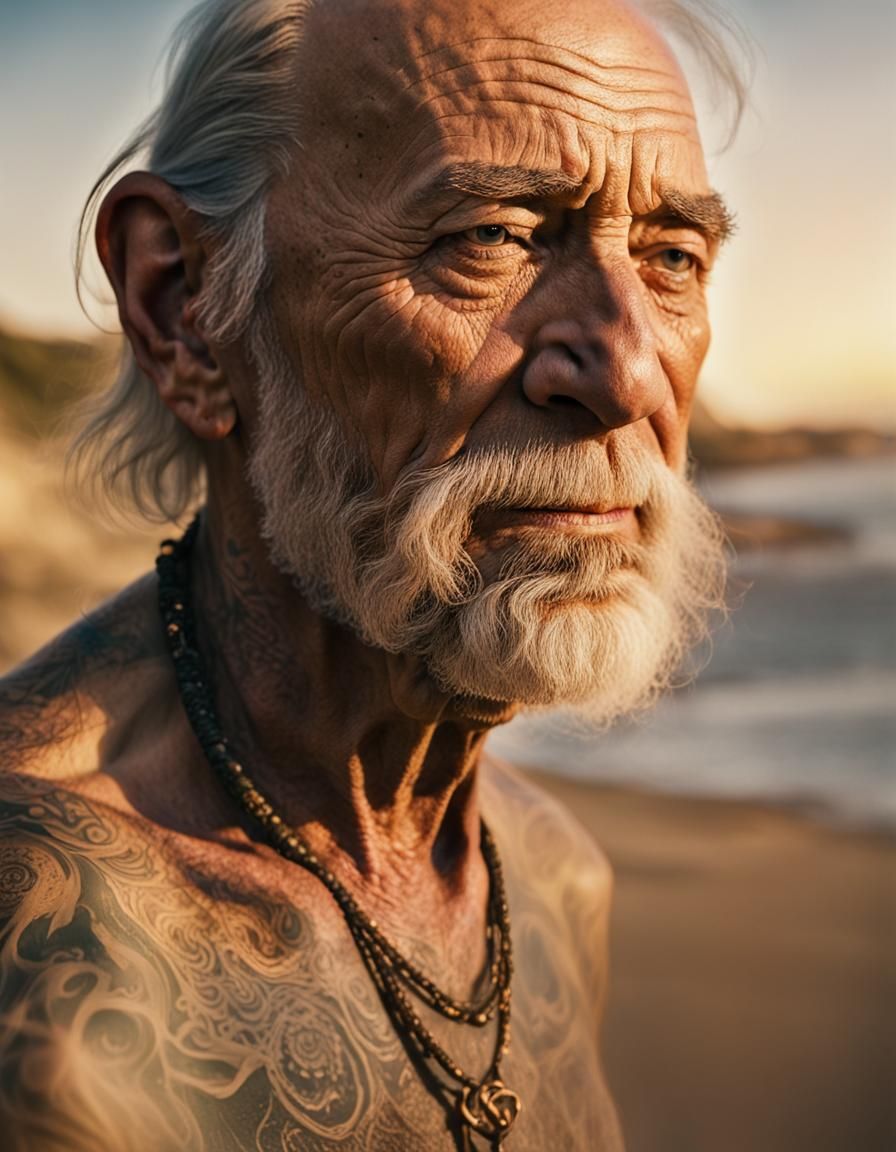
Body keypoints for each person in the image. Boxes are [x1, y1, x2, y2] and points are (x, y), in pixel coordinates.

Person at [0, 0, 740, 1147]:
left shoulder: (547, 880)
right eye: (489, 236)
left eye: (672, 258)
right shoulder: (41, 965)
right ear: (185, 312)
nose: (629, 369)